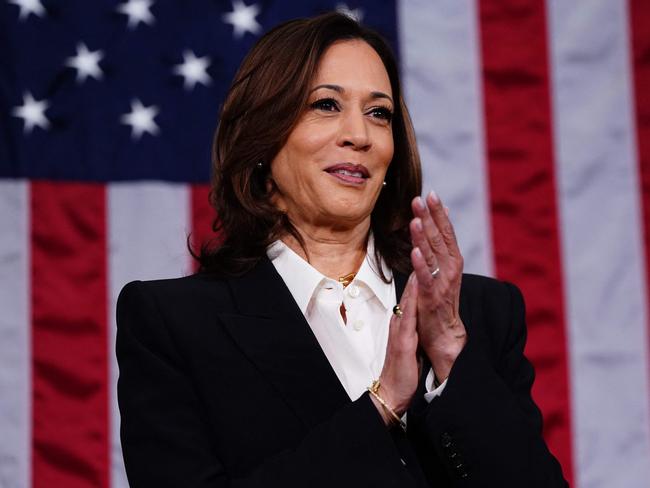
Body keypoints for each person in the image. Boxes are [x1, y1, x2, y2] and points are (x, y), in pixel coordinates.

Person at [116, 12, 568, 488]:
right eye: (326, 105)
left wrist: (451, 361)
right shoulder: (173, 322)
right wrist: (382, 406)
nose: (360, 135)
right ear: (262, 138)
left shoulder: (479, 315)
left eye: (379, 113)